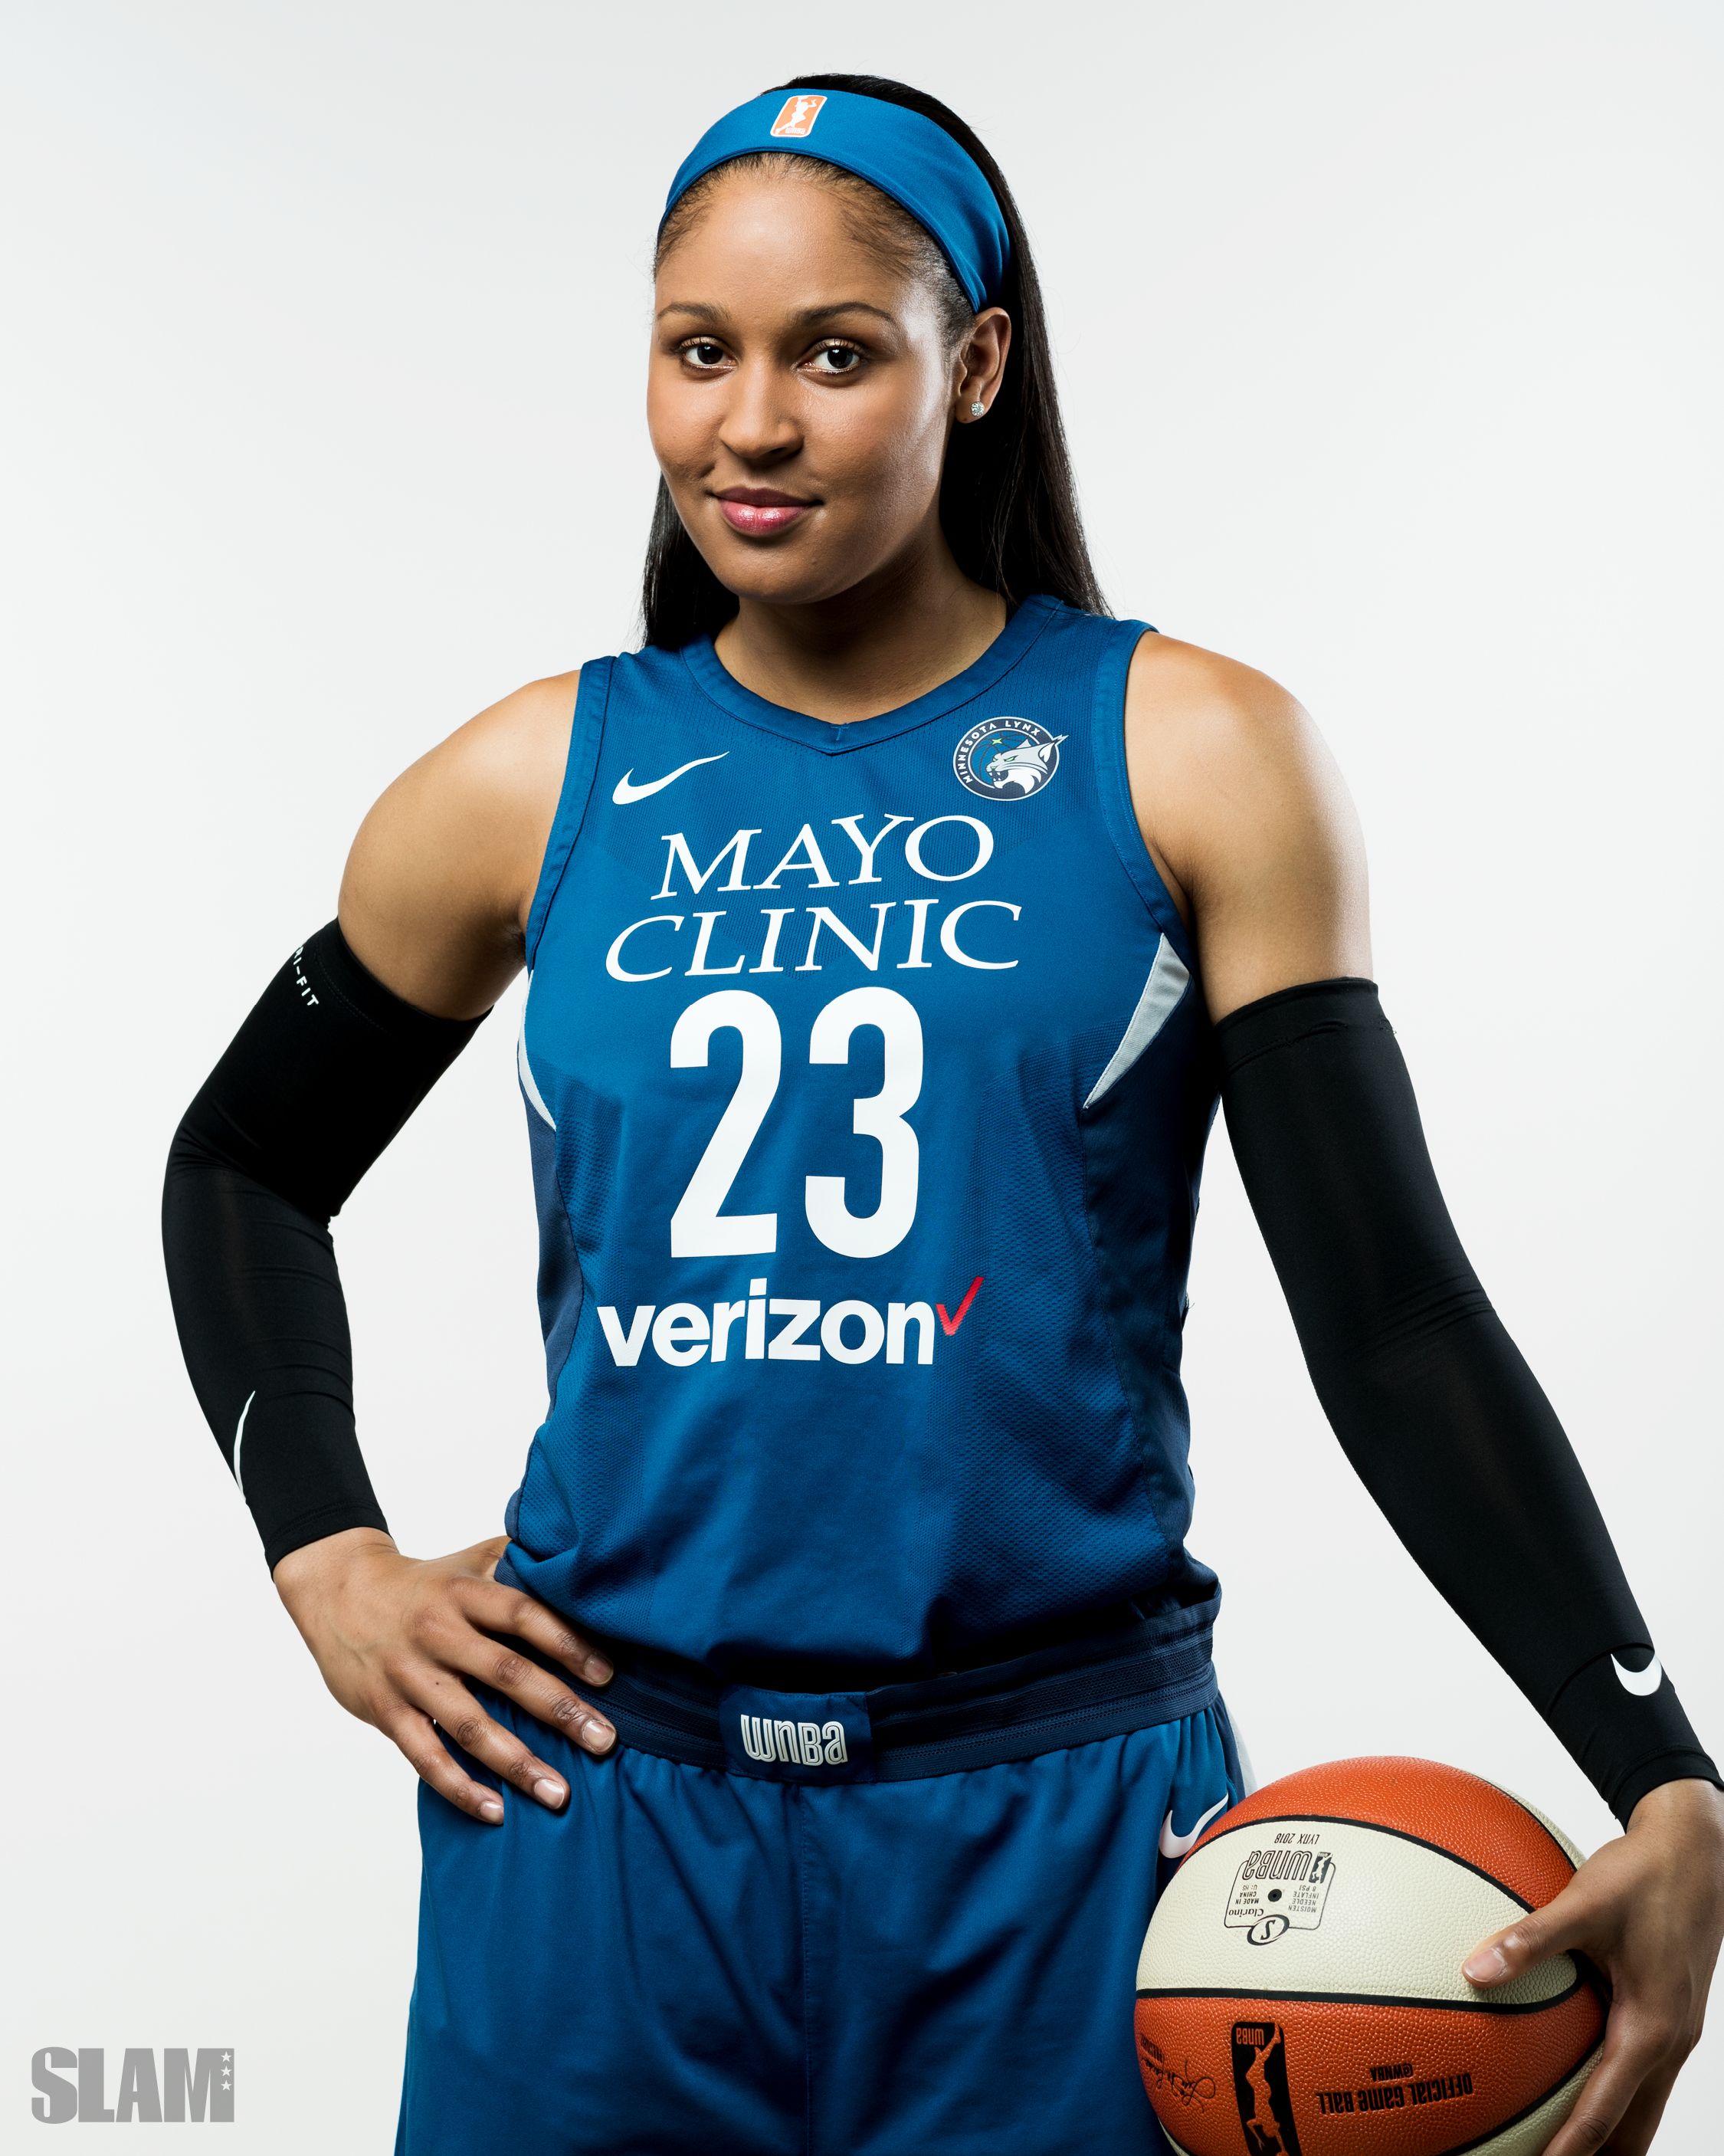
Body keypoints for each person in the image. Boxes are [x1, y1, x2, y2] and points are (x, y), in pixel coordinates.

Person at [162, 73, 1724, 2156]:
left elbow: (1393, 1317)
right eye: (697, 351)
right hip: (597, 1815)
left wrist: (1661, 1771)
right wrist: (325, 1548)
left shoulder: (1183, 749)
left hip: (1061, 1837)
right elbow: (243, 1166)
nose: (751, 424)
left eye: (835, 352)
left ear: (972, 365)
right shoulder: (533, 783)